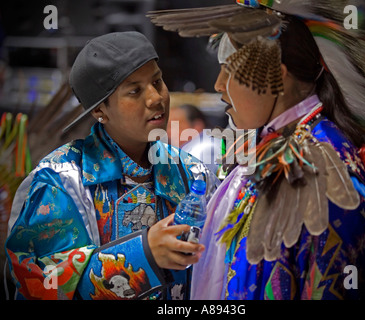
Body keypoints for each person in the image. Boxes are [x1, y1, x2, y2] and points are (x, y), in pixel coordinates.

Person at [148, 0, 365, 299]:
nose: (218, 84)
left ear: (277, 77)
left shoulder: (327, 173)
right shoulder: (264, 148)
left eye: (230, 70)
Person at [5, 31, 218, 300]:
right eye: (134, 90)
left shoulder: (192, 173)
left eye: (157, 81)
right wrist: (143, 254)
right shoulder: (60, 180)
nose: (156, 98)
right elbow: (36, 284)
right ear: (99, 111)